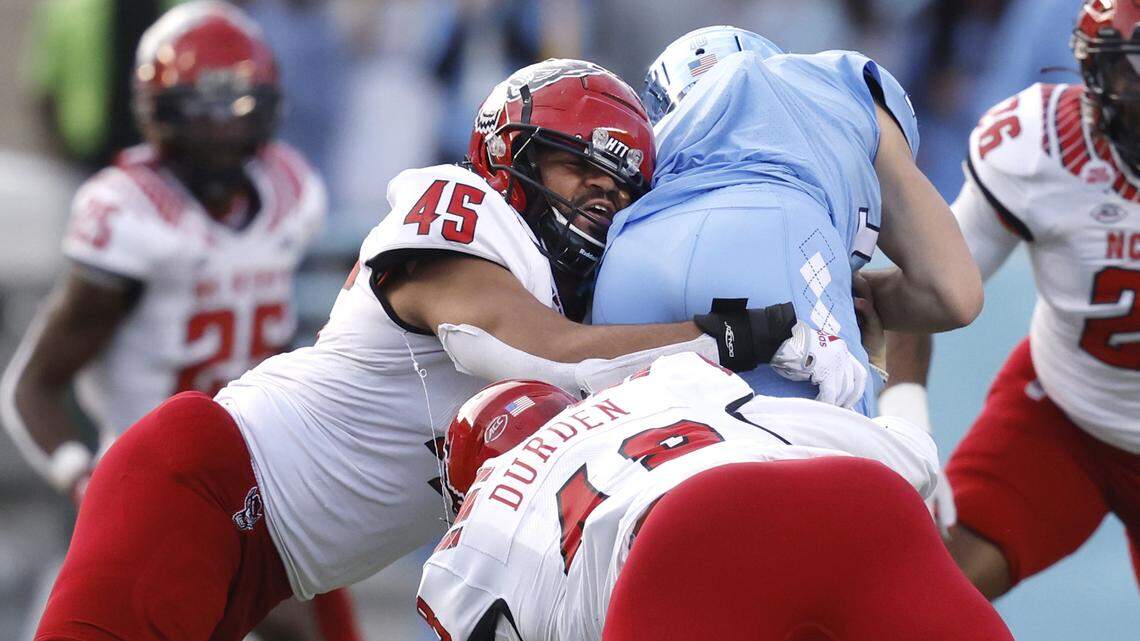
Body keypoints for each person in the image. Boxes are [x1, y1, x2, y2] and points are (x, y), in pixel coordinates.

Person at [30, 54, 867, 641]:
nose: (601, 203)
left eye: (619, 190)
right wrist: (728, 334)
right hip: (210, 484)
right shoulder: (460, 209)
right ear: (513, 153)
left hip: (287, 564)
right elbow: (545, 354)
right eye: (582, 171)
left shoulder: (581, 293)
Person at [1, 3, 368, 640]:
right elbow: (30, 383)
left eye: (239, 106)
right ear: (159, 112)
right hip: (156, 491)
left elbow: (275, 346)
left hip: (260, 472)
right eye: (202, 109)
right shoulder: (132, 216)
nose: (223, 127)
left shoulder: (288, 191)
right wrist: (80, 476)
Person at [415, 352, 1014, 641]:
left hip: (678, 547)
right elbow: (911, 461)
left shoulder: (476, 531)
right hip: (854, 500)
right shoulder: (661, 387)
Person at [881, 0, 1140, 600]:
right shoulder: (1040, 145)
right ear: (1096, 75)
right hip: (1063, 423)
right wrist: (907, 418)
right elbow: (924, 286)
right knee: (922, 597)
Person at [592, 25, 984, 415]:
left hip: (629, 262)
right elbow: (953, 295)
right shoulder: (829, 83)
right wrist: (842, 285)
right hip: (775, 239)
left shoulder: (658, 136)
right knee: (840, 466)